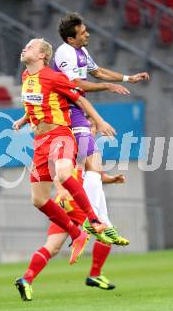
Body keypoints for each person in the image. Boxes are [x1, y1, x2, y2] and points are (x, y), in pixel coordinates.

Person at [13, 38, 117, 300]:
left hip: (60, 135)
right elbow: (34, 104)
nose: (25, 48)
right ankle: (77, 234)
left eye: (30, 46)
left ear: (43, 56)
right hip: (40, 142)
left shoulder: (54, 77)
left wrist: (99, 121)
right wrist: (24, 119)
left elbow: (80, 100)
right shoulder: (27, 75)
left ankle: (92, 222)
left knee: (63, 174)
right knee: (37, 199)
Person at [54, 12, 149, 244]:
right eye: (82, 31)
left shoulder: (81, 52)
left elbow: (97, 72)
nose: (87, 33)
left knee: (93, 167)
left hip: (76, 111)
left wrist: (128, 78)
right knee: (86, 166)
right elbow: (74, 85)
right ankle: (95, 220)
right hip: (65, 113)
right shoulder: (65, 53)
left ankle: (100, 222)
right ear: (70, 38)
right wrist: (106, 86)